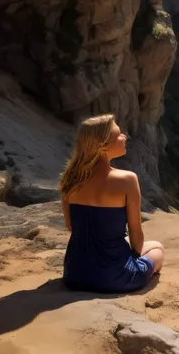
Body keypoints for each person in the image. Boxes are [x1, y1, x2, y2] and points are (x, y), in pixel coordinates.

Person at [60, 114, 164, 293]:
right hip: (113, 278)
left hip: (74, 274)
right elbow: (135, 232)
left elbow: (72, 227)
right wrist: (133, 259)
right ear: (103, 146)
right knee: (157, 249)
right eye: (118, 135)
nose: (124, 137)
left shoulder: (70, 178)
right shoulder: (126, 180)